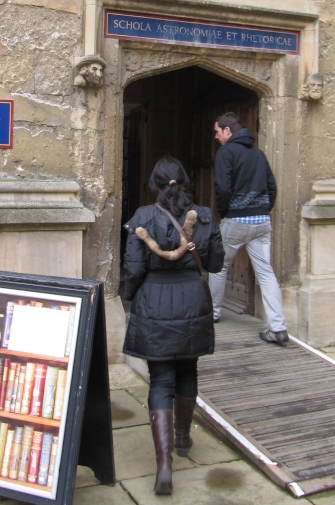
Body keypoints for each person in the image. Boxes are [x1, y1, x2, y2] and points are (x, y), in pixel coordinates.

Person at [122, 156, 224, 495]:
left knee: (160, 378)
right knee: (188, 370)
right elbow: (216, 262)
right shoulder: (205, 216)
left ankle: (164, 463)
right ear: (185, 181)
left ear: (155, 184)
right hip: (192, 299)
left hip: (154, 301)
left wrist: (132, 297)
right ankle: (182, 437)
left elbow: (134, 269)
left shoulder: (142, 217)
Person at [209, 112, 288, 346]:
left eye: (217, 132)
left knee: (218, 266)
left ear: (227, 131)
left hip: (236, 221)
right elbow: (272, 187)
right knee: (266, 272)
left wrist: (225, 213)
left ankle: (213, 314)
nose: (215, 137)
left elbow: (222, 187)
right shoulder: (259, 154)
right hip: (262, 221)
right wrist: (263, 209)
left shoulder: (226, 153)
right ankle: (278, 327)